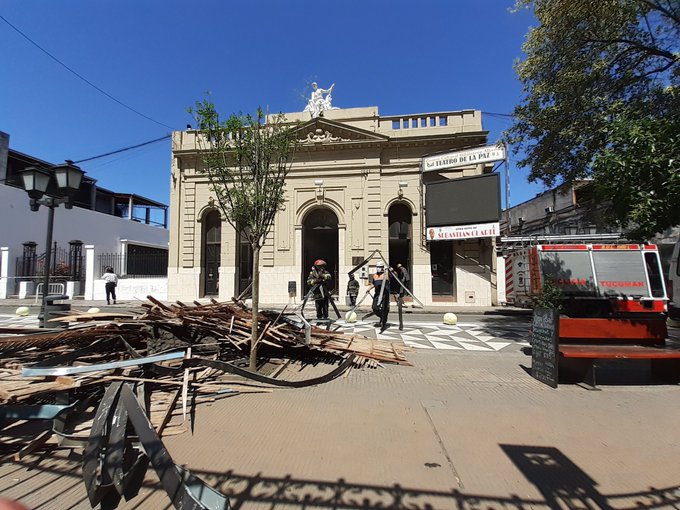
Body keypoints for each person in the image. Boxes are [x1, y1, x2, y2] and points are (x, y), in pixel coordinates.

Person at [372, 261, 390, 331]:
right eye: (377, 267)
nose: (378, 268)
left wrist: (391, 270)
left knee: (384, 309)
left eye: (380, 267)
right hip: (377, 293)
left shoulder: (387, 274)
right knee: (374, 307)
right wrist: (368, 289)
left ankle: (384, 322)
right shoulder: (375, 275)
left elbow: (395, 275)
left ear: (383, 268)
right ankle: (382, 317)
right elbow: (373, 284)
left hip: (385, 294)